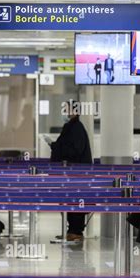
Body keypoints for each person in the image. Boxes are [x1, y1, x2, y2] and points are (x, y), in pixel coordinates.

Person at [47, 100, 92, 242]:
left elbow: (75, 150)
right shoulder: (71, 126)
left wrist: (55, 146)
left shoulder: (76, 127)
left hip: (76, 173)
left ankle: (76, 231)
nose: (65, 113)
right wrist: (55, 145)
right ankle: (71, 230)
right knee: (67, 201)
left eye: (67, 110)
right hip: (69, 173)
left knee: (74, 201)